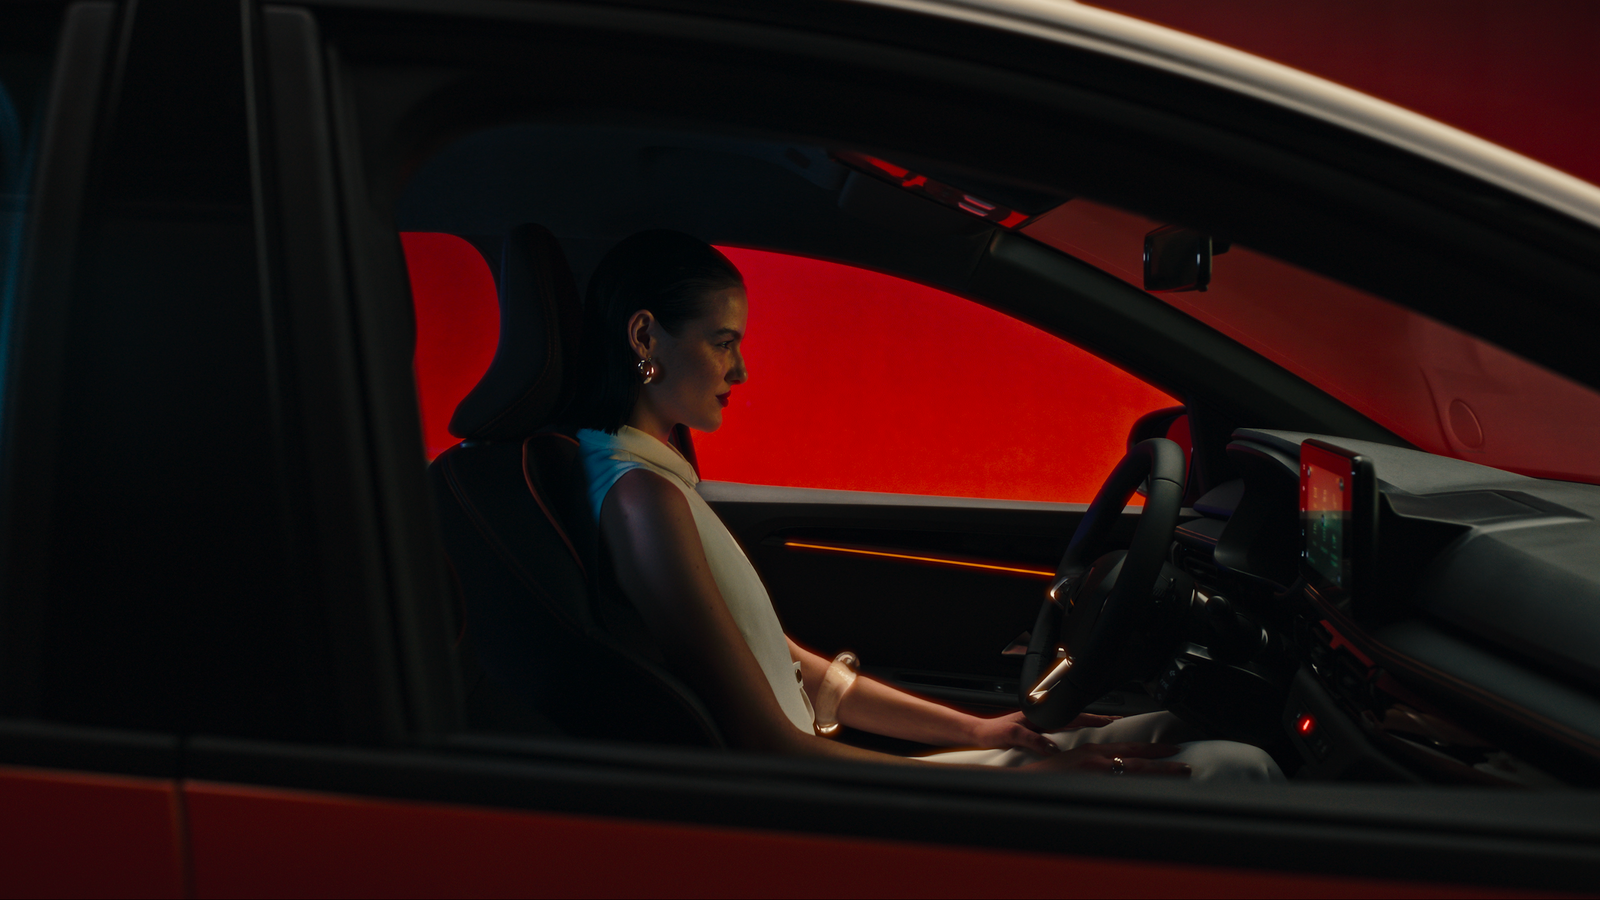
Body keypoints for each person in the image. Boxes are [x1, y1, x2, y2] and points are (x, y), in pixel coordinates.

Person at [565, 230, 1283, 782]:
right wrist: (1007, 785)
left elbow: (791, 667)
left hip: (833, 785)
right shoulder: (642, 499)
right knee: (1233, 769)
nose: (742, 370)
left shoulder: (650, 482)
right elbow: (771, 746)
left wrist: (979, 733)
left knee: (1167, 733)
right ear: (644, 337)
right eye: (724, 344)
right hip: (827, 816)